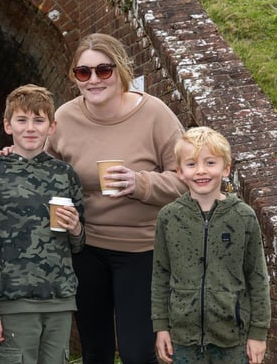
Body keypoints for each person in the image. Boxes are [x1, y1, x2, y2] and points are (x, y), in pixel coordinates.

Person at [44, 33, 187, 364]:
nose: (93, 80)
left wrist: (139, 183)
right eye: (83, 72)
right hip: (85, 248)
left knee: (138, 352)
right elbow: (45, 172)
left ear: (120, 71)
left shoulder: (154, 113)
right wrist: (14, 157)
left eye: (103, 70)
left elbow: (186, 179)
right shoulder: (64, 118)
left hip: (142, 249)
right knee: (95, 350)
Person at [0, 84, 85, 364]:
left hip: (59, 296)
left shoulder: (65, 174)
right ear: (8, 125)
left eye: (38, 120)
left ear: (52, 126)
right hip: (13, 298)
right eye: (22, 120)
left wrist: (76, 229)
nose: (30, 128)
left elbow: (79, 242)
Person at [151, 126, 270, 364]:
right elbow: (160, 275)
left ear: (225, 168)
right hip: (182, 338)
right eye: (192, 164)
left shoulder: (243, 216)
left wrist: (258, 333)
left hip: (233, 339)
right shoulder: (168, 217)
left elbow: (257, 276)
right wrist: (161, 326)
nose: (201, 171)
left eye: (210, 163)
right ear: (180, 171)